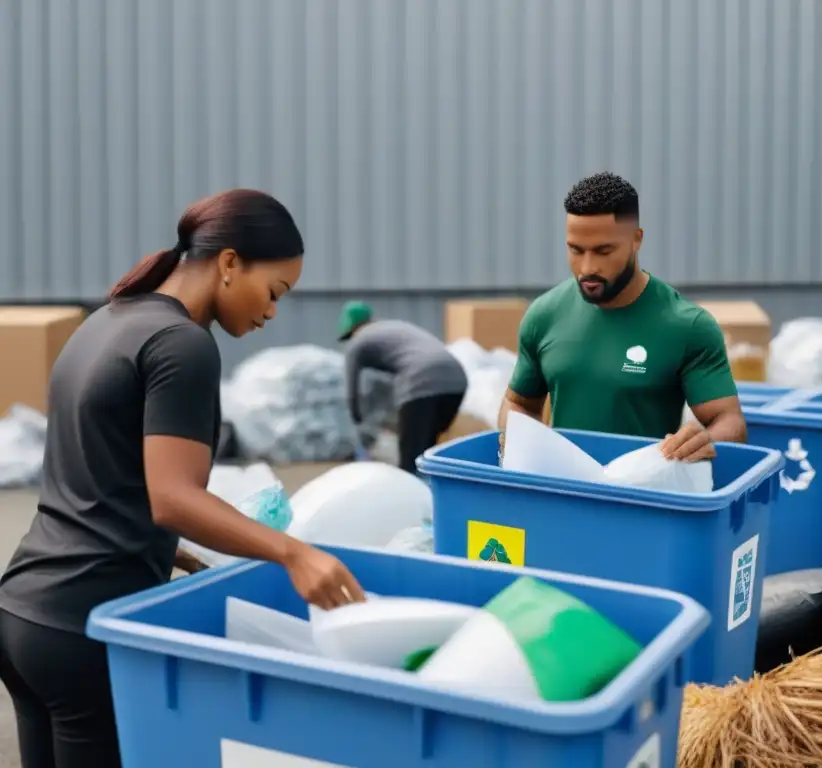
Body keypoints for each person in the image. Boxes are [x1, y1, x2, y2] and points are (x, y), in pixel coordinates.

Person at [0, 189, 365, 768]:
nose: (272, 312)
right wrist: (294, 554)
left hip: (25, 613)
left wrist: (166, 549)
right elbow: (172, 498)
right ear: (228, 263)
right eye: (275, 292)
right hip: (84, 625)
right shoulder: (184, 345)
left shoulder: (110, 318)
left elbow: (99, 474)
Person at [498, 172, 747, 459]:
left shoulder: (688, 326)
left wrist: (705, 441)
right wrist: (521, 443)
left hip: (640, 495)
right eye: (575, 250)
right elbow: (518, 405)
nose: (587, 267)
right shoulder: (544, 316)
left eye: (604, 251)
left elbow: (730, 422)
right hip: (563, 493)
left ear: (635, 240)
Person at [338, 301, 468, 474]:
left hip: (422, 381)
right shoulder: (393, 327)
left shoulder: (357, 342)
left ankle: (413, 497)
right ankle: (431, 494)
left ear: (351, 329)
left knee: (410, 461)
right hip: (457, 380)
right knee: (427, 455)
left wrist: (357, 423)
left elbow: (352, 392)